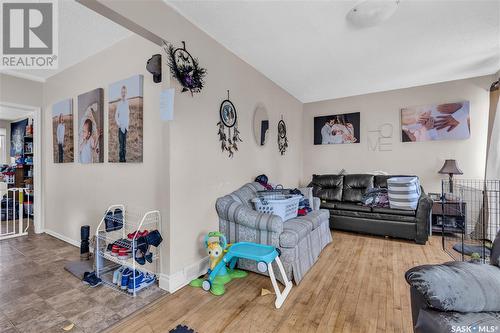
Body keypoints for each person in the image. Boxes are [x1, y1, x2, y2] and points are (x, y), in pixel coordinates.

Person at [115, 85, 130, 162]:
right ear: (121, 93)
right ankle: (121, 160)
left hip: (126, 127)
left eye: (124, 92)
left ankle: (124, 160)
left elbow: (128, 115)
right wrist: (119, 124)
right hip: (121, 127)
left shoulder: (127, 102)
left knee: (124, 145)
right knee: (121, 146)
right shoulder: (119, 104)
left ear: (126, 93)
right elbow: (116, 115)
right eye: (122, 92)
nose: (123, 93)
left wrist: (127, 125)